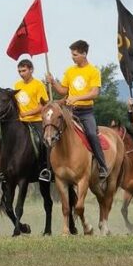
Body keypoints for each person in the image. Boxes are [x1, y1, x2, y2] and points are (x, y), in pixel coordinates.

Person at [46, 40, 110, 182]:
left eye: (75, 55)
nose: (72, 57)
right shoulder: (70, 71)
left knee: (92, 134)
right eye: (71, 54)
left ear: (84, 54)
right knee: (53, 132)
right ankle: (50, 169)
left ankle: (102, 166)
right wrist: (53, 82)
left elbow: (94, 93)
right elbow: (63, 90)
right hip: (69, 111)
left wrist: (77, 98)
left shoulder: (93, 71)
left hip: (86, 112)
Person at [13, 58, 51, 182]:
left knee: (42, 142)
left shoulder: (38, 85)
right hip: (20, 122)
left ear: (31, 70)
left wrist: (27, 113)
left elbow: (43, 106)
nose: (21, 73)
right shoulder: (17, 85)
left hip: (36, 120)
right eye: (19, 71)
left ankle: (46, 169)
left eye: (24, 70)